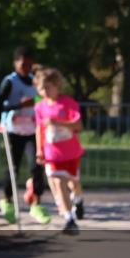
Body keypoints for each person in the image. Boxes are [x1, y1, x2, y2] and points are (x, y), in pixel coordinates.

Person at [0, 46, 50, 225]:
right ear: (16, 63)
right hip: (13, 131)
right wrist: (19, 106)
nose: (26, 67)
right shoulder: (9, 82)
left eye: (29, 64)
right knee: (13, 167)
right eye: (23, 64)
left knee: (37, 166)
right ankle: (8, 200)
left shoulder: (34, 82)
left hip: (32, 131)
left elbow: (40, 100)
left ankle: (37, 202)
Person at [34, 67, 85, 235]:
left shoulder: (68, 103)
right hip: (52, 154)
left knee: (74, 184)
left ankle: (78, 200)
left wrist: (59, 122)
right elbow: (39, 130)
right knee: (57, 182)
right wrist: (39, 150)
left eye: (48, 87)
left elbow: (78, 126)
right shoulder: (40, 107)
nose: (45, 91)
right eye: (41, 88)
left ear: (57, 85)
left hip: (70, 153)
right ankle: (69, 219)